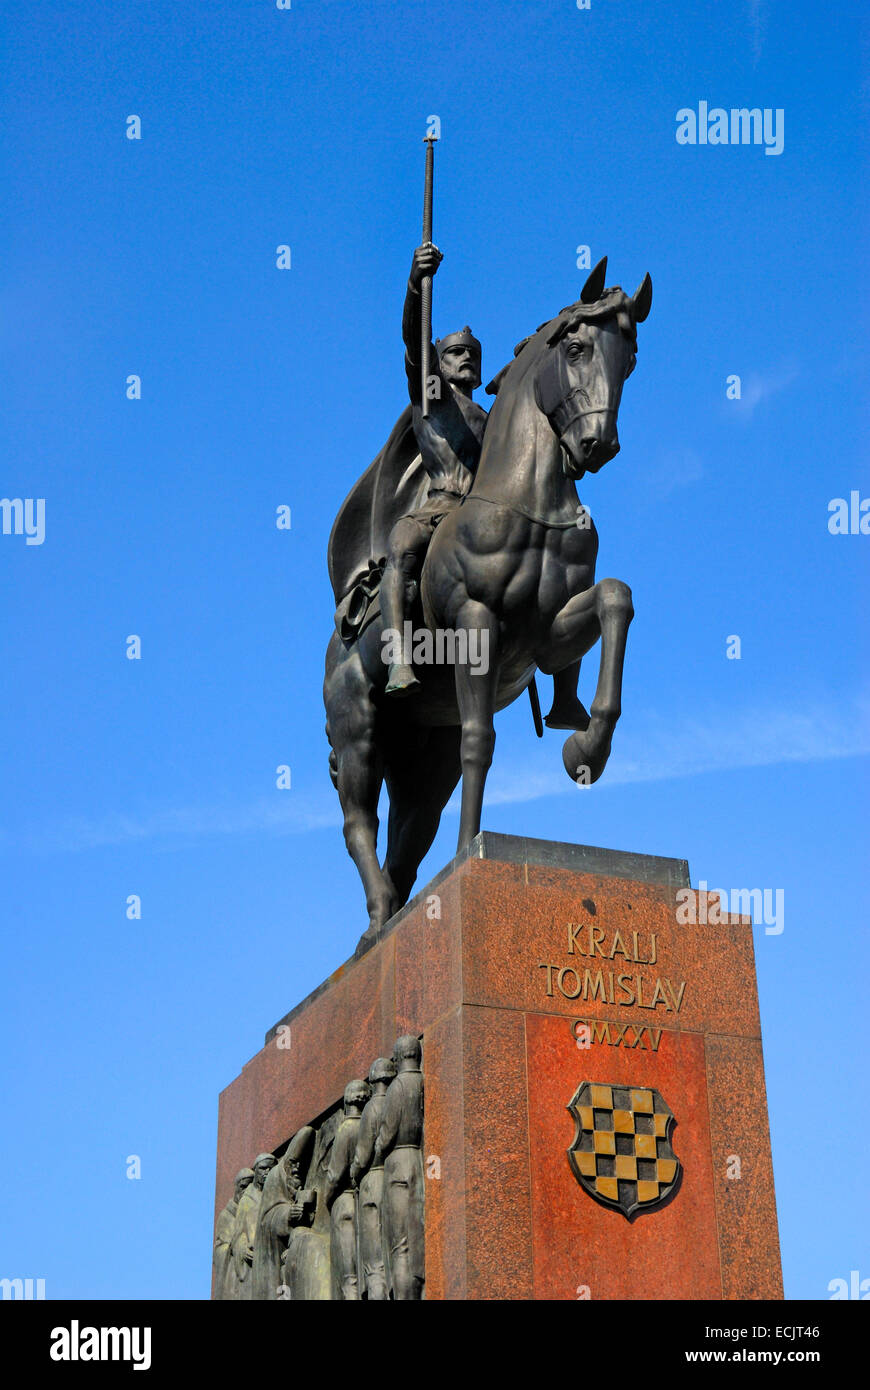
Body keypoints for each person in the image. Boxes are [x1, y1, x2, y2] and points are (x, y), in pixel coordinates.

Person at [374, 1035, 425, 1300]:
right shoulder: (422, 1081)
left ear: (399, 1056)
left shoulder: (398, 1086)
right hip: (417, 1160)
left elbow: (387, 1133)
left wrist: (377, 1149)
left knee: (400, 1245)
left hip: (397, 1165)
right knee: (416, 1241)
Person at [350, 1056, 397, 1300]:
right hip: (392, 1180)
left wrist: (354, 1173)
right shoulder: (394, 1102)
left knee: (374, 1261)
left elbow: (362, 1154)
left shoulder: (372, 1107)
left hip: (371, 1182)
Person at [324, 1079, 371, 1300]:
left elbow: (334, 1175)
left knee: (348, 1276)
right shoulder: (370, 1125)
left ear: (346, 1103)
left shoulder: (346, 1129)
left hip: (344, 1203)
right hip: (365, 1201)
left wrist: (326, 1199)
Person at [227, 1152, 276, 1300]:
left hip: (273, 1253)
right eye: (263, 1169)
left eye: (270, 1169)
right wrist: (243, 1249)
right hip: (254, 1258)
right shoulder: (246, 1199)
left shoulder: (275, 1193)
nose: (266, 1172)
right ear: (256, 1171)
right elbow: (237, 1236)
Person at [213, 1168, 254, 1300]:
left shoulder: (255, 1210)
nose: (245, 1191)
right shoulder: (226, 1215)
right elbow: (219, 1249)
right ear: (236, 1188)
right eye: (243, 1187)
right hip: (234, 1275)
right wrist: (237, 1249)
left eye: (249, 1187)